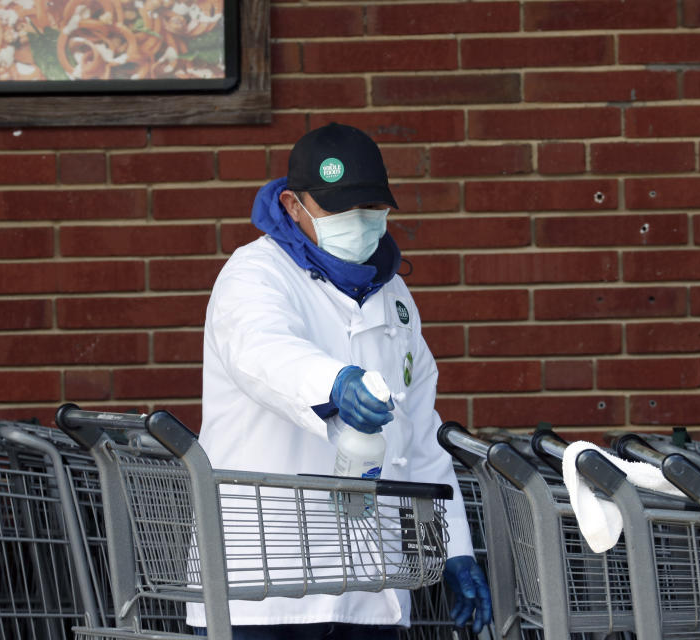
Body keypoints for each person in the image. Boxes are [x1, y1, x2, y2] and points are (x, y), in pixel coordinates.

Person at [191, 122, 492, 639]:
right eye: (340, 209)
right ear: (293, 205)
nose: (360, 221)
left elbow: (418, 433)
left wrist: (454, 549)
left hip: (368, 592)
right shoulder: (255, 274)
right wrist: (335, 384)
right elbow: (261, 351)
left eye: (371, 208)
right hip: (261, 587)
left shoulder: (394, 296)